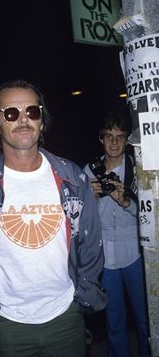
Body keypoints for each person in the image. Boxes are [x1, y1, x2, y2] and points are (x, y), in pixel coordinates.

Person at [0, 79, 107, 357]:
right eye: (11, 113)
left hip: (66, 318)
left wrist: (83, 297)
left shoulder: (73, 178)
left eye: (32, 112)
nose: (23, 120)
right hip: (6, 324)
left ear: (42, 120)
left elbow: (91, 245)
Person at [84, 110, 150, 357]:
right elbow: (78, 219)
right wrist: (87, 199)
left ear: (126, 140)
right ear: (101, 138)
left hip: (136, 256)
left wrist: (126, 202)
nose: (114, 142)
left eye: (120, 137)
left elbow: (151, 216)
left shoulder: (139, 170)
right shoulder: (89, 171)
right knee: (114, 322)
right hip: (105, 259)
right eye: (109, 136)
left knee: (147, 320)